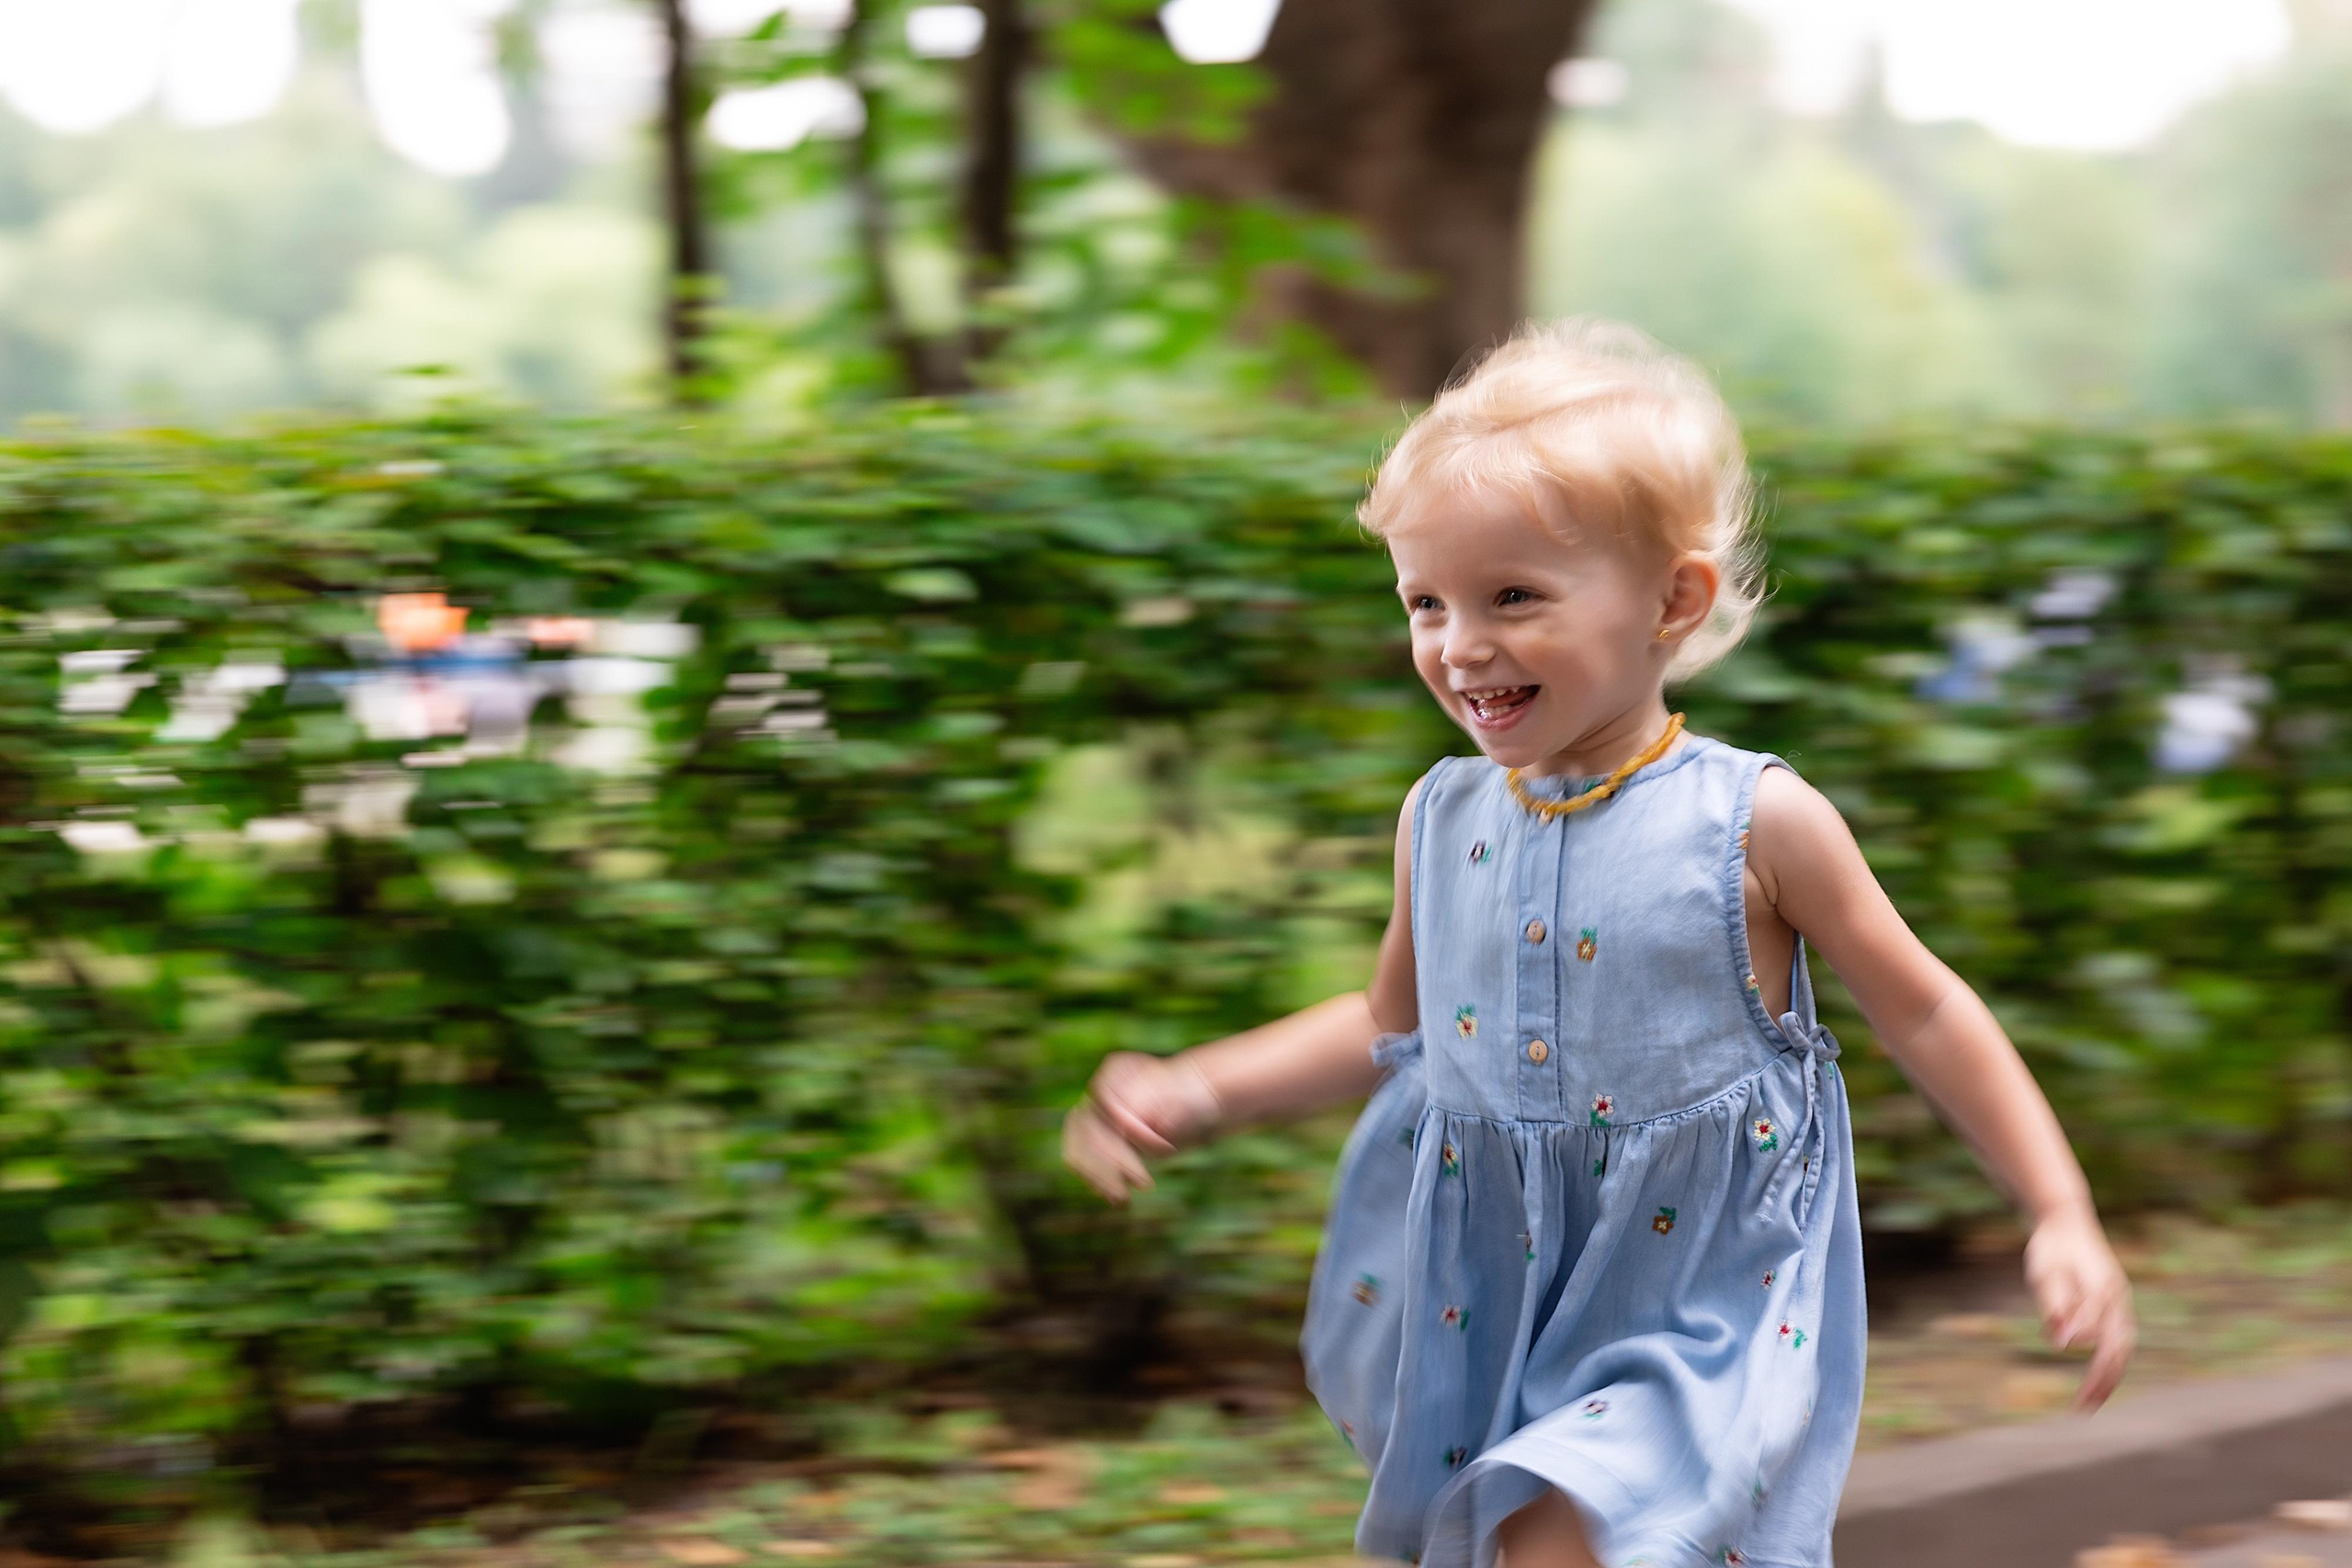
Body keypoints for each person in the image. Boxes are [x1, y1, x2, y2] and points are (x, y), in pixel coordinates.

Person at [1061, 318, 2136, 1568]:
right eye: (1427, 600)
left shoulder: (1756, 821)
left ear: (1670, 600)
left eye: (1514, 596)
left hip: (1696, 1292)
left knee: (1557, 1532)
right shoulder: (1441, 815)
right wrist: (1202, 1087)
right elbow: (1392, 1030)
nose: (1461, 643)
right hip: (1497, 1284)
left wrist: (2056, 1206)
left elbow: (1927, 1011)